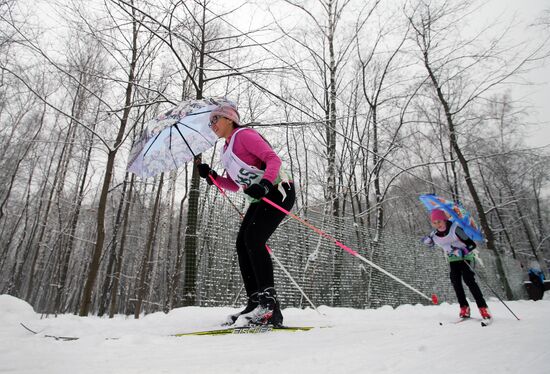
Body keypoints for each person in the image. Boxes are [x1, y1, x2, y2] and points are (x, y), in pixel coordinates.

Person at [197, 104, 295, 327]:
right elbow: (233, 185)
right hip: (258, 197)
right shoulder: (226, 150)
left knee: (254, 239)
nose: (212, 125)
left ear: (230, 119)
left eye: (215, 120)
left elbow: (273, 160)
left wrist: (264, 184)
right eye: (210, 122)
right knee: (243, 243)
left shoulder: (244, 135)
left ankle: (269, 307)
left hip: (278, 189)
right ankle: (255, 302)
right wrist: (211, 176)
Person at [422, 209, 492, 320]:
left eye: (439, 221)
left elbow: (471, 245)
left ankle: (483, 307)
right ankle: (464, 307)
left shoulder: (455, 229)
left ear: (444, 220)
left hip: (466, 257)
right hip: (453, 259)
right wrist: (428, 242)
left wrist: (462, 251)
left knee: (468, 279)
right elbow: (433, 242)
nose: (437, 225)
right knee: (455, 281)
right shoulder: (434, 234)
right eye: (434, 223)